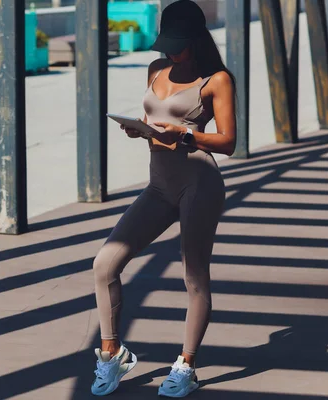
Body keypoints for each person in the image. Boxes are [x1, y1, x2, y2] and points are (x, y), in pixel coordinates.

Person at [90, 0, 237, 397]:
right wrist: (142, 131)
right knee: (105, 265)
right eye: (167, 44)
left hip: (199, 182)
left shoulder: (217, 80)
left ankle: (186, 366)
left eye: (179, 45)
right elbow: (157, 120)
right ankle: (112, 353)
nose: (172, 52)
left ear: (196, 39)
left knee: (194, 278)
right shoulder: (156, 69)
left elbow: (228, 142)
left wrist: (184, 135)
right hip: (159, 185)